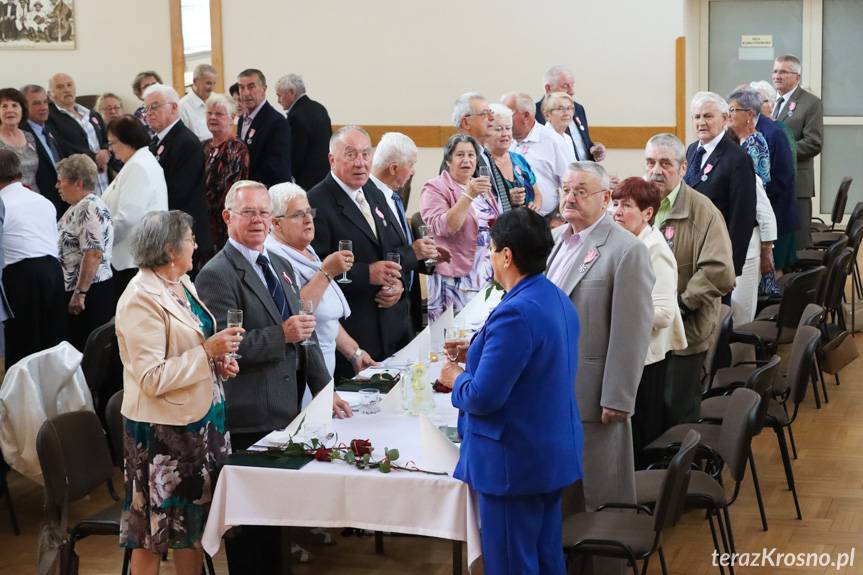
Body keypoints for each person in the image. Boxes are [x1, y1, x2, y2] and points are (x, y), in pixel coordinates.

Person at [195, 180, 350, 573]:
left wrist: (323, 390)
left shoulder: (277, 263)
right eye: (248, 212)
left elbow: (306, 333)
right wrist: (280, 335)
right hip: (248, 415)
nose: (258, 220)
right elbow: (227, 349)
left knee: (277, 525)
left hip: (285, 412)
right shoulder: (216, 274)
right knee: (251, 533)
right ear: (228, 217)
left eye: (264, 212)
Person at [438, 208, 583, 575]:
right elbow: (535, 362)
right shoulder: (555, 297)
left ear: (507, 255)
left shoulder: (515, 311)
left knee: (511, 565)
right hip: (548, 454)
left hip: (513, 465)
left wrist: (456, 376)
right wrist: (478, 353)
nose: (489, 256)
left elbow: (484, 397)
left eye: (491, 250)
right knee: (546, 558)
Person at [115, 210, 241, 575]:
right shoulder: (140, 298)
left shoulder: (182, 283)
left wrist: (218, 365)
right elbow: (151, 377)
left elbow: (193, 346)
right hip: (163, 434)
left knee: (193, 528)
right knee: (152, 535)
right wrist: (207, 354)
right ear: (170, 250)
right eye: (191, 239)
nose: (197, 245)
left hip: (201, 423)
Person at [546, 161, 654, 574]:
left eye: (581, 190)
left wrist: (618, 397)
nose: (570, 197)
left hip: (595, 395)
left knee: (599, 494)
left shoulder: (626, 250)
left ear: (605, 199)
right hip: (552, 391)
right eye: (566, 189)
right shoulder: (557, 240)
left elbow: (632, 332)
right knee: (565, 496)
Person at [308, 126, 412, 378]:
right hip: (355, 331)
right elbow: (315, 268)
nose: (361, 163)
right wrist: (367, 274)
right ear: (332, 159)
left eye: (366, 154)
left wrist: (395, 282)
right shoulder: (317, 202)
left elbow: (392, 246)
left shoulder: (372, 191)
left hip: (393, 324)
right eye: (351, 155)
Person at [645, 134, 735, 427]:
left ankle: (684, 468)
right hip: (648, 330)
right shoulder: (640, 206)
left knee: (677, 408)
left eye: (665, 163)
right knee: (650, 407)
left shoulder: (703, 211)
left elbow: (720, 270)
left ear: (683, 168)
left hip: (687, 327)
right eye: (650, 162)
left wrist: (681, 304)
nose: (656, 170)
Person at [611, 177, 686, 468]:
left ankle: (645, 497)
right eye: (615, 204)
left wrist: (618, 310)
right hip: (632, 353)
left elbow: (665, 313)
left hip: (649, 357)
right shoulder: (628, 242)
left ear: (647, 213)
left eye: (626, 205)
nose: (617, 211)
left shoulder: (654, 249)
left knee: (643, 430)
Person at [265, 182, 375, 376]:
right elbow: (295, 310)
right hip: (301, 371)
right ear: (276, 223)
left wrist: (355, 353)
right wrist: (327, 272)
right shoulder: (273, 256)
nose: (308, 220)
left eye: (309, 212)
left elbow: (326, 315)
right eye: (298, 215)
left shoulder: (304, 247)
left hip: (325, 366)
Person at [369, 131, 445, 332]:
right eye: (411, 164)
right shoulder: (367, 198)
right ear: (394, 168)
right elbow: (380, 254)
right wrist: (414, 252)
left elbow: (400, 245)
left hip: (406, 305)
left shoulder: (393, 194)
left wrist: (424, 258)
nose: (413, 171)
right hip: (383, 307)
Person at [420, 134, 498, 322]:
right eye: (460, 155)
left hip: (485, 272)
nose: (467, 160)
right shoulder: (435, 188)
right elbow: (444, 227)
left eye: (471, 155)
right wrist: (468, 195)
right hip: (454, 277)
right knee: (453, 338)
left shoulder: (483, 188)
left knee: (481, 333)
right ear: (448, 159)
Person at [0, 150, 66, 367]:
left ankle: (21, 399)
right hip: (54, 273)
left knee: (23, 347)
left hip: (21, 276)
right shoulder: (42, 201)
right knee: (52, 343)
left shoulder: (3, 203)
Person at [684, 91, 756, 277]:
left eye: (708, 116)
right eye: (697, 117)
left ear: (724, 118)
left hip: (717, 257)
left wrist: (731, 266)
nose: (701, 122)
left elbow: (742, 218)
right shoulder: (692, 150)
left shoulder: (738, 159)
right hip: (690, 253)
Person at [726, 88, 779, 326]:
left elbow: (761, 202)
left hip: (754, 231)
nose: (728, 115)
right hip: (748, 229)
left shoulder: (752, 145)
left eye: (732, 110)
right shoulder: (737, 145)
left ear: (749, 115)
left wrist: (767, 249)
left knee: (741, 311)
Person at [144, 83, 212, 265]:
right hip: (169, 231)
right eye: (146, 108)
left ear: (174, 107)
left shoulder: (185, 142)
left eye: (155, 106)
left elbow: (178, 191)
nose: (149, 112)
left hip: (184, 234)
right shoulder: (156, 142)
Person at [102, 115, 169, 299]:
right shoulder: (137, 162)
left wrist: (101, 242)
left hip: (133, 258)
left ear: (126, 141)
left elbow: (128, 217)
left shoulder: (138, 165)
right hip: (133, 255)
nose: (111, 149)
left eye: (112, 143)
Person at [55, 154, 114, 352]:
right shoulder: (80, 206)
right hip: (88, 290)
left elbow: (93, 253)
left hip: (90, 294)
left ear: (78, 183)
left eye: (61, 181)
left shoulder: (88, 207)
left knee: (86, 352)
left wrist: (80, 294)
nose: (57, 186)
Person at [771, 54, 823, 249]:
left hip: (796, 183)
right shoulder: (768, 102)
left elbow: (814, 142)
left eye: (783, 71)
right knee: (778, 243)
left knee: (797, 245)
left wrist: (781, 152)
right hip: (773, 184)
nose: (777, 76)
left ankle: (802, 280)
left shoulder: (810, 103)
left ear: (797, 77)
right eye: (775, 71)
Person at [748, 82, 799, 270]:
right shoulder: (762, 129)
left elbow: (782, 178)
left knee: (773, 276)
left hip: (777, 214)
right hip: (771, 213)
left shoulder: (774, 131)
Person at [503, 91, 569, 216]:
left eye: (507, 114)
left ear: (526, 116)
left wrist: (559, 217)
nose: (502, 118)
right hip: (512, 218)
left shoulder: (553, 140)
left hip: (547, 220)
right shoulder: (505, 140)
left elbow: (570, 182)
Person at [446, 92, 513, 212]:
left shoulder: (484, 153)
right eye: (484, 114)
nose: (492, 118)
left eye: (490, 112)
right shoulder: (457, 161)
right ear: (466, 122)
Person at [46, 73, 110, 194]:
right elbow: (62, 146)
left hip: (104, 177)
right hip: (80, 180)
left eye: (69, 85)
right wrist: (94, 158)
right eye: (60, 87)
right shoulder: (50, 118)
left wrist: (106, 152)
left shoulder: (91, 114)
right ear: (50, 94)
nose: (66, 89)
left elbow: (107, 139)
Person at [202, 93, 248, 258]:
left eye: (219, 114)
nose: (213, 117)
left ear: (232, 117)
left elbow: (229, 190)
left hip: (222, 225)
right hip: (202, 223)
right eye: (209, 113)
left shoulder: (235, 148)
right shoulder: (204, 146)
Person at [535, 65, 606, 162]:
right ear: (548, 88)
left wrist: (594, 149)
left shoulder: (578, 109)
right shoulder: (534, 113)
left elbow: (582, 142)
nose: (572, 91)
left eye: (572, 85)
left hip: (587, 171)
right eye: (565, 86)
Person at [236, 69, 292, 187]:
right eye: (241, 87)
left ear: (264, 89)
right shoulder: (241, 119)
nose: (245, 93)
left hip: (268, 192)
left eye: (251, 87)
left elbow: (274, 166)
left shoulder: (277, 122)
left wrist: (247, 185)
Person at [276, 73, 332, 190]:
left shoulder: (296, 116)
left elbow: (295, 155)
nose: (278, 101)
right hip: (325, 177)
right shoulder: (319, 108)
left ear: (291, 92)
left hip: (305, 182)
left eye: (279, 96)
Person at [20, 84, 66, 216]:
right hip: (40, 203)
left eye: (45, 102)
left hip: (62, 200)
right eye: (36, 103)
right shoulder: (22, 134)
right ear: (24, 107)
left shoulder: (51, 129)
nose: (43, 107)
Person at [488, 103, 537, 210]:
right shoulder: (482, 163)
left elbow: (537, 193)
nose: (505, 133)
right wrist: (506, 198)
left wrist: (535, 206)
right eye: (498, 129)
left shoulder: (519, 159)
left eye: (508, 128)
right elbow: (479, 203)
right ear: (486, 132)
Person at [0, 88, 40, 194]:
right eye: (4, 106)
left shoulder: (29, 136)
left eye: (14, 105)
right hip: (6, 200)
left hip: (34, 196)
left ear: (22, 110)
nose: (10, 110)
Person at [179, 63, 217, 142]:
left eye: (214, 83)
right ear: (195, 82)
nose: (212, 88)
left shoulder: (217, 100)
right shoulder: (182, 106)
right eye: (208, 83)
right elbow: (183, 139)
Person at [539, 91, 579, 167]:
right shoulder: (544, 139)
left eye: (569, 108)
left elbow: (573, 167)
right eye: (561, 109)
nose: (567, 113)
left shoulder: (567, 138)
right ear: (547, 115)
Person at [131, 70, 162, 136]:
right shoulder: (138, 115)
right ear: (140, 93)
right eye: (146, 86)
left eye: (154, 84)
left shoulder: (170, 106)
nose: (152, 88)